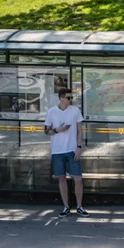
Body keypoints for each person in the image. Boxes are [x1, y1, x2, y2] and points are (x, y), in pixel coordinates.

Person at [43, 87, 88, 216]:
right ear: (61, 98)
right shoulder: (52, 112)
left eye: (71, 97)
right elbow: (46, 131)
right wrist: (58, 130)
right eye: (68, 98)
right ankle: (66, 206)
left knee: (77, 178)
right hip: (57, 150)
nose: (70, 100)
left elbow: (80, 131)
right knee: (61, 178)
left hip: (72, 149)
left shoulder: (75, 111)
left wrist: (79, 147)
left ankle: (79, 206)